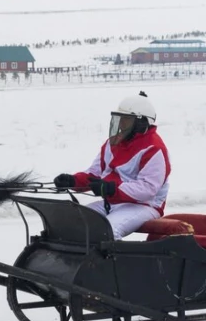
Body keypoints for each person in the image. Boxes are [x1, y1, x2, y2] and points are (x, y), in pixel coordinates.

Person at [53, 91, 171, 239]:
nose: (121, 124)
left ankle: (115, 262)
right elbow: (95, 174)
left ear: (141, 123)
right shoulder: (113, 142)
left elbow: (148, 189)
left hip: (145, 206)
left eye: (126, 119)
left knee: (107, 231)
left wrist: (111, 188)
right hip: (114, 201)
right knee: (75, 222)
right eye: (120, 118)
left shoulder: (154, 148)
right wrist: (73, 181)